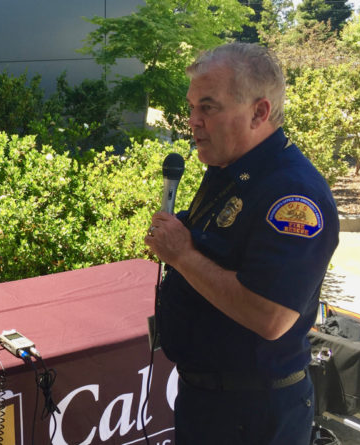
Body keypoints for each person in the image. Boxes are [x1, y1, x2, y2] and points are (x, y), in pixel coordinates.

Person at [144, 42, 339, 445]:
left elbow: (270, 316)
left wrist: (182, 255)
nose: (193, 121)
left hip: (254, 416)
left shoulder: (293, 196)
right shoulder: (229, 167)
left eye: (208, 107)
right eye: (192, 107)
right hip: (207, 401)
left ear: (259, 113)